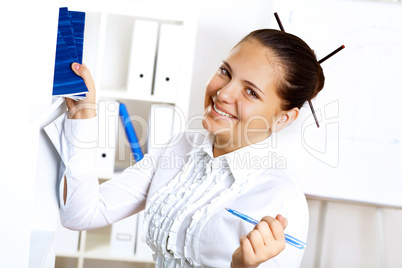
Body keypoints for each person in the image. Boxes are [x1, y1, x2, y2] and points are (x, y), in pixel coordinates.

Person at [45, 29, 324, 267]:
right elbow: (81, 213)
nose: (223, 93)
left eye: (251, 91)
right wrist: (83, 116)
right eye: (225, 72)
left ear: (284, 118)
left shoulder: (282, 200)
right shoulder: (180, 146)